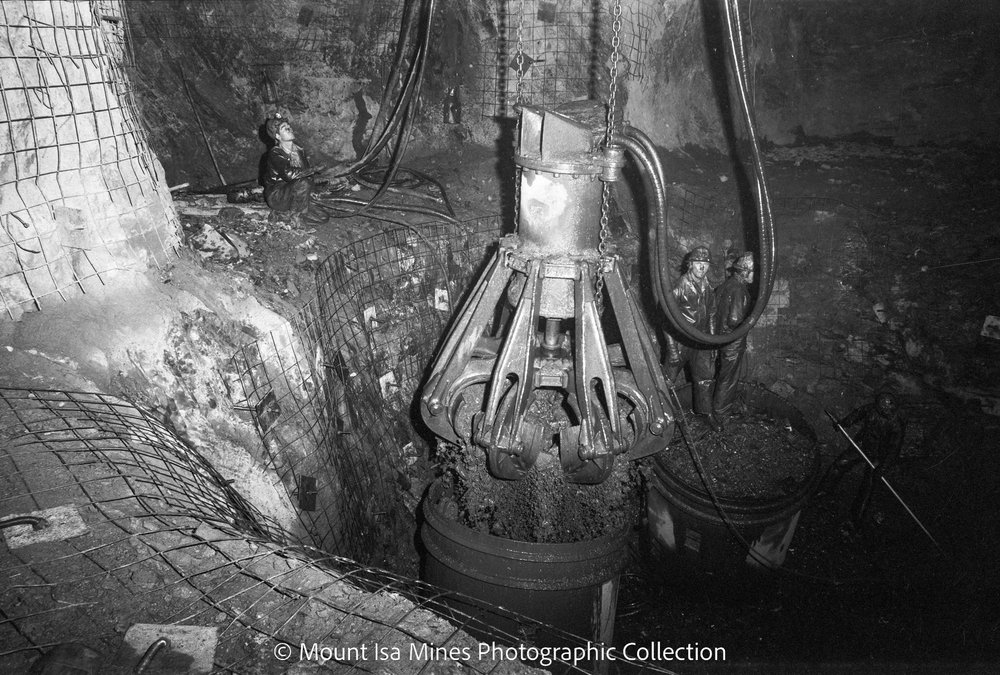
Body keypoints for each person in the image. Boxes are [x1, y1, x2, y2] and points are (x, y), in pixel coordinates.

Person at [820, 392, 906, 530]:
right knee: (840, 463)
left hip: (879, 455)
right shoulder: (871, 409)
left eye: (887, 408)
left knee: (869, 485)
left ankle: (857, 517)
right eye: (881, 407)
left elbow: (894, 449)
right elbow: (857, 414)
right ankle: (824, 489)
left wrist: (883, 467)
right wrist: (844, 423)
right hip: (863, 445)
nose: (883, 410)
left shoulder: (896, 424)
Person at [664, 246, 717, 426]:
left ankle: (705, 414)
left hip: (700, 341)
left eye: (705, 264)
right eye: (698, 263)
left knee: (705, 378)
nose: (702, 267)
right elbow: (666, 319)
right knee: (667, 381)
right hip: (680, 341)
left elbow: (711, 314)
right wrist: (672, 349)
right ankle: (661, 417)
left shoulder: (707, 286)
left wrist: (711, 342)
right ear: (690, 265)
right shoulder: (680, 285)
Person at [712, 252, 754, 428]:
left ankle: (720, 410)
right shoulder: (739, 289)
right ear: (745, 272)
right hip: (733, 343)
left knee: (724, 377)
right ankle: (721, 415)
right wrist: (749, 322)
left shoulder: (726, 285)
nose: (754, 275)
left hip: (722, 340)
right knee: (728, 380)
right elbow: (735, 319)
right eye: (753, 271)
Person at [262, 113, 328, 224]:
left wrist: (312, 191)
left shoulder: (299, 150)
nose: (289, 129)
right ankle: (295, 217)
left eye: (289, 126)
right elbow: (289, 175)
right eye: (284, 128)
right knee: (303, 182)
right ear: (278, 136)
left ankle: (287, 215)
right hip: (278, 196)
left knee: (323, 218)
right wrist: (314, 169)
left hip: (295, 194)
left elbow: (306, 175)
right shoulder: (275, 153)